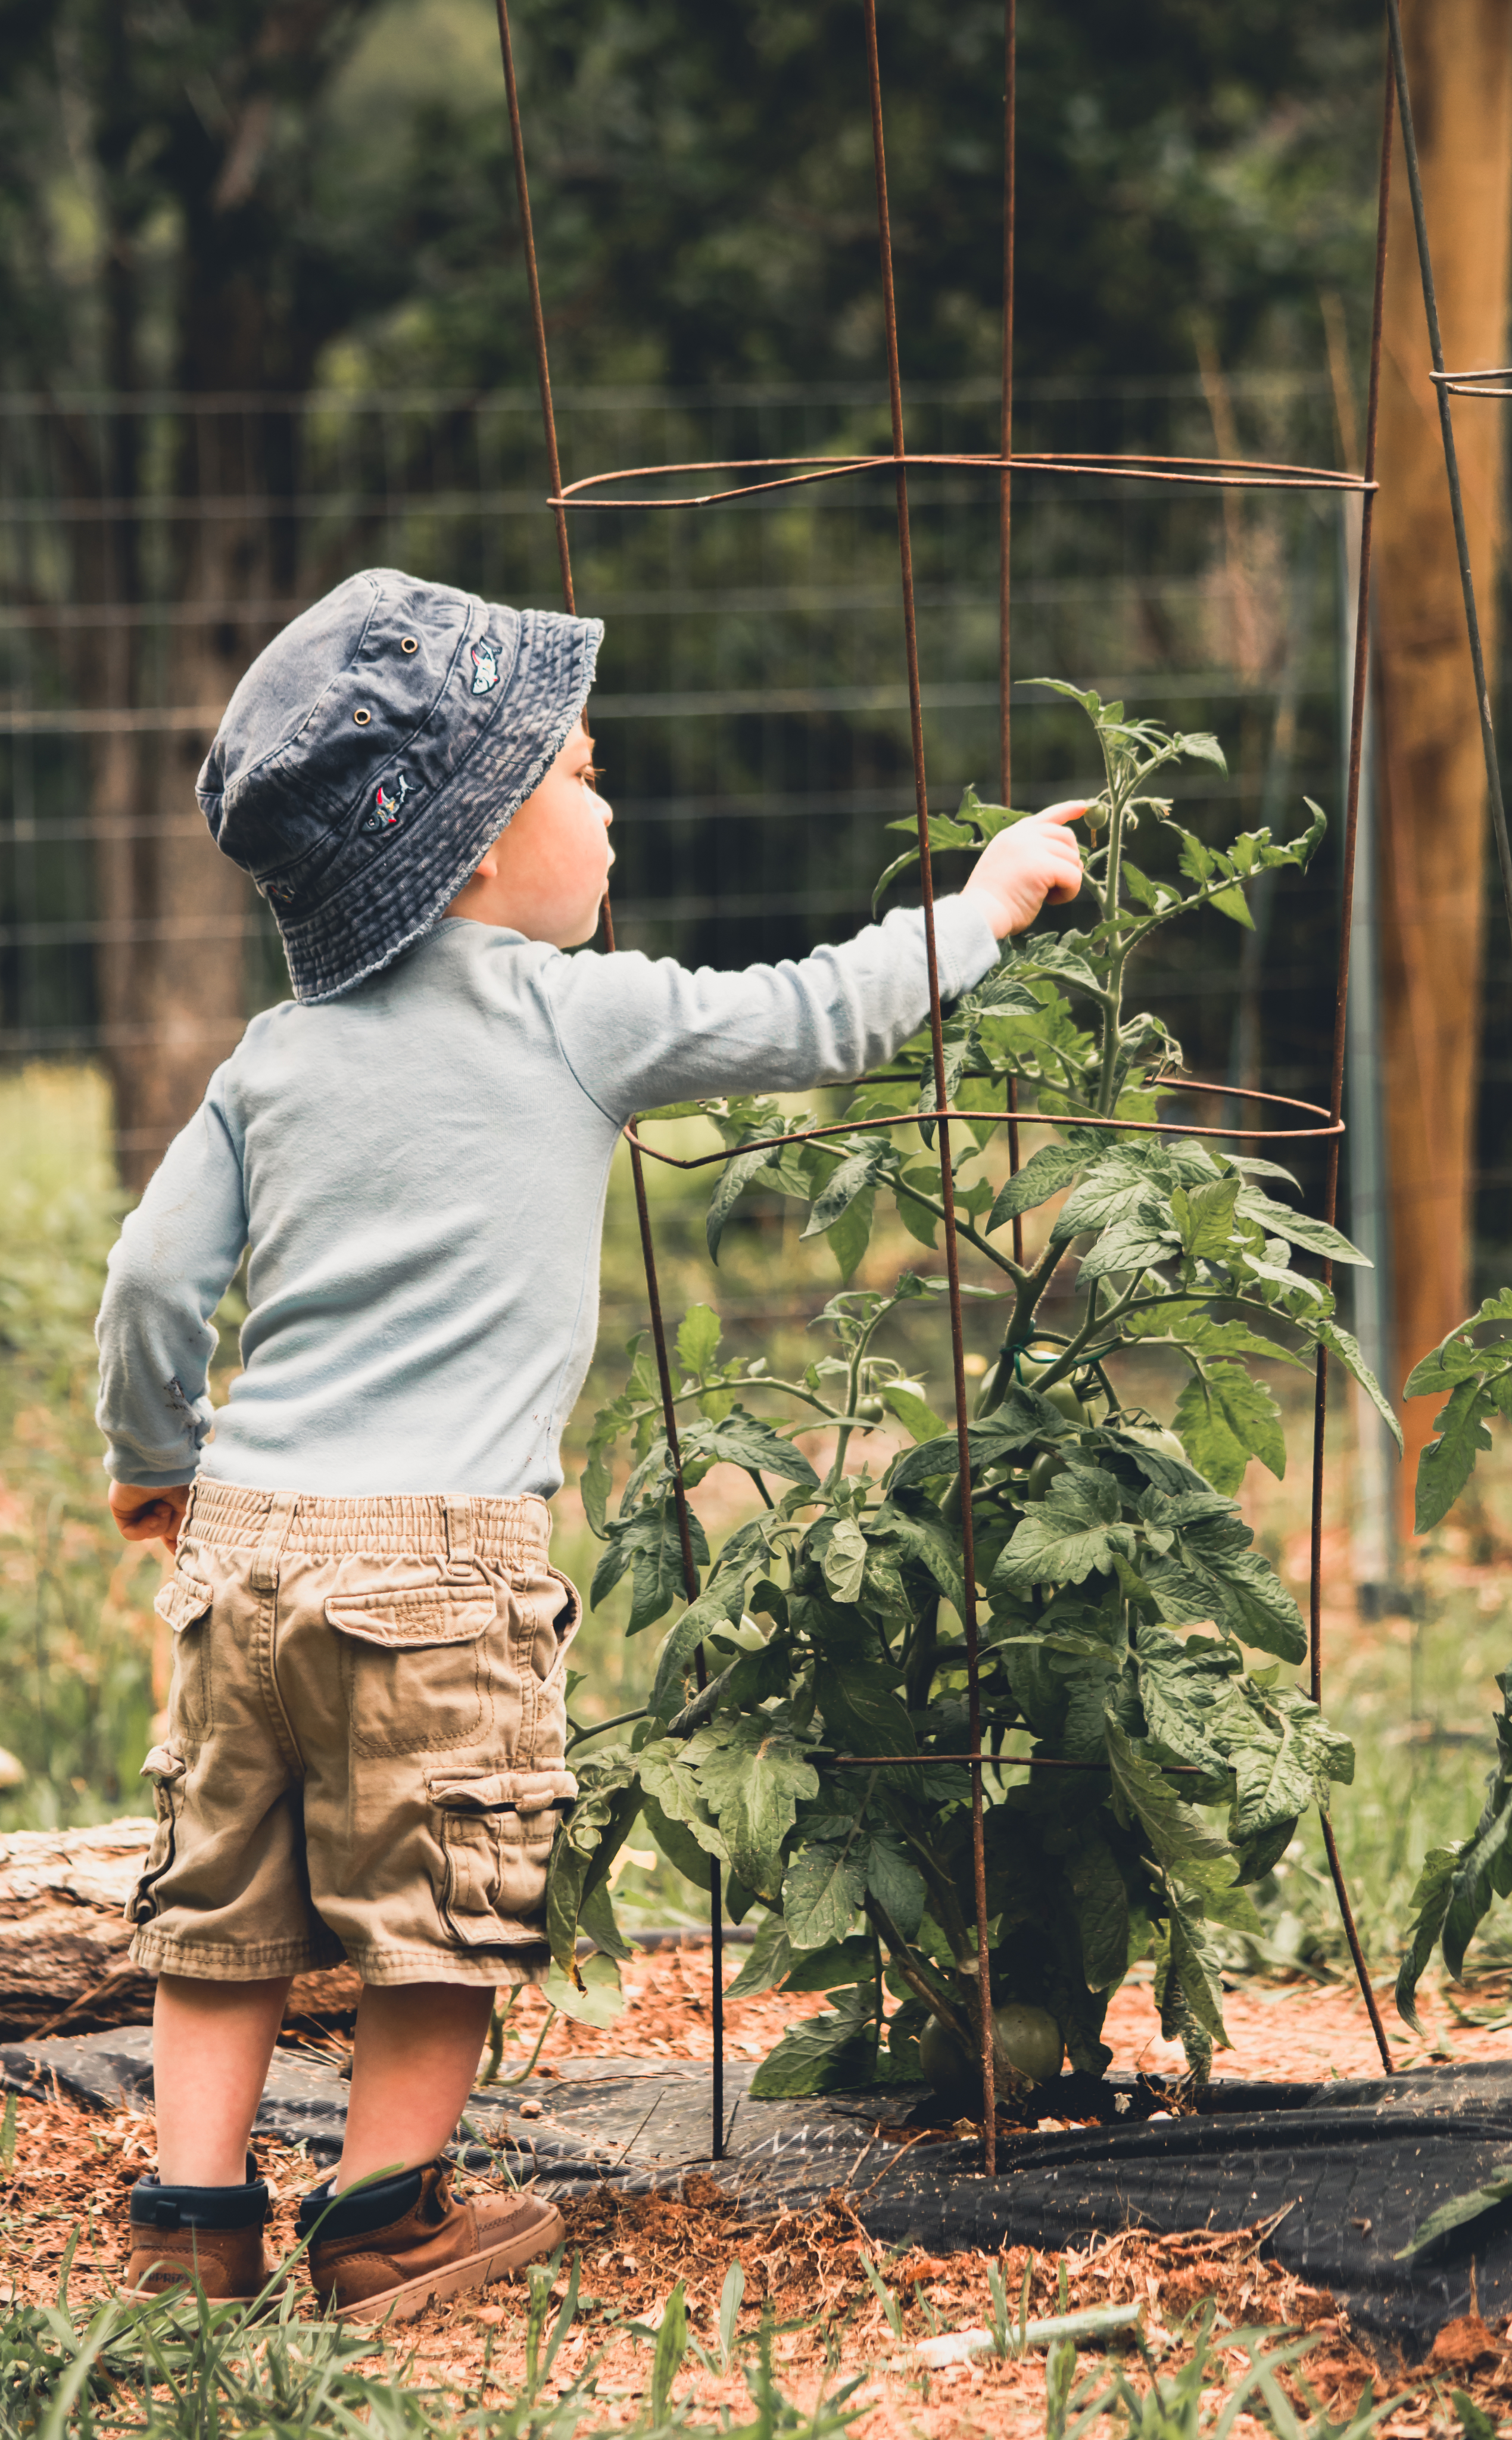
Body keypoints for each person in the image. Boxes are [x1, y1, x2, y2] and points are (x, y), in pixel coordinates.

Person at [96, 566, 1087, 2321]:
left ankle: (188, 2216)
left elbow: (157, 1281)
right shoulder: (574, 1015)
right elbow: (816, 1011)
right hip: (441, 1562)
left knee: (221, 1911)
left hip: (242, 1546)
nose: (605, 798)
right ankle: (385, 2217)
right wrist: (987, 902)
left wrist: (159, 1454)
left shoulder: (271, 1055)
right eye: (580, 769)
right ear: (479, 842)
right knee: (442, 1912)